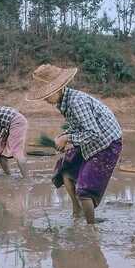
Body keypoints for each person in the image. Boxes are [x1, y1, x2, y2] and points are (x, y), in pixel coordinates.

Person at [25, 64, 123, 225]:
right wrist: (64, 135)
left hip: (107, 144)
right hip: (92, 142)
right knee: (66, 172)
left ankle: (91, 228)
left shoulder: (77, 102)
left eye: (48, 94)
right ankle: (77, 213)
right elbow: (79, 126)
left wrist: (68, 138)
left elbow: (93, 132)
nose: (45, 99)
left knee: (84, 191)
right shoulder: (65, 102)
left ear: (60, 88)